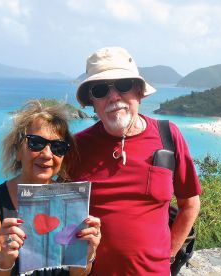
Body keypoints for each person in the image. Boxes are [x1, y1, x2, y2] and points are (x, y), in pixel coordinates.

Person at [67, 47, 201, 275]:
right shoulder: (77, 147)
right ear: (92, 101)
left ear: (139, 91)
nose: (113, 96)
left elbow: (190, 203)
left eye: (123, 85)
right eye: (100, 90)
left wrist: (167, 255)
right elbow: (58, 211)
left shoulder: (168, 136)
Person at [0, 100, 101, 276]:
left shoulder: (72, 201)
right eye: (36, 143)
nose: (47, 154)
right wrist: (4, 259)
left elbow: (77, 273)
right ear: (18, 151)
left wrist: (88, 255)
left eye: (58, 147)